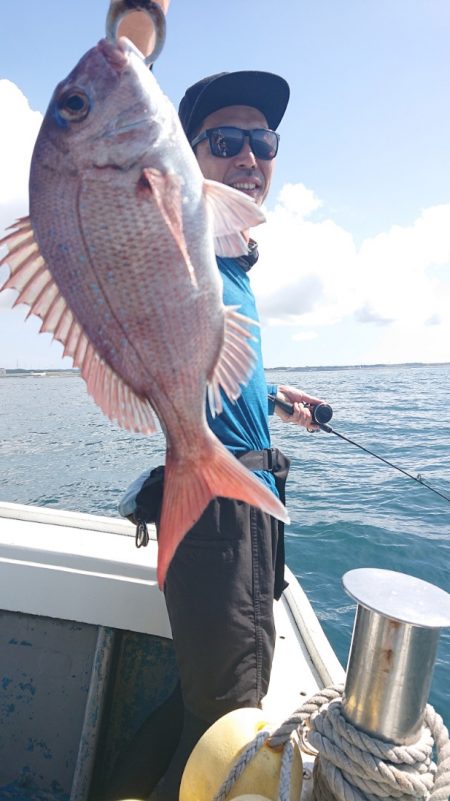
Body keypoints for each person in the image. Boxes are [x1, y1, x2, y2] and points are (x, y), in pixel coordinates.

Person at [149, 70, 326, 801]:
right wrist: (137, 45)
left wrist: (274, 398)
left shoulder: (232, 264)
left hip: (234, 508)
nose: (249, 156)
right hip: (220, 515)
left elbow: (213, 363)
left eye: (263, 141)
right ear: (187, 159)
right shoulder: (184, 241)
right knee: (227, 729)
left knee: (200, 708)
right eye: (224, 142)